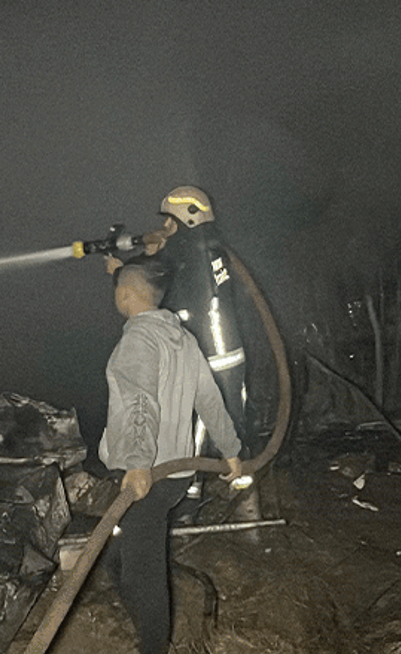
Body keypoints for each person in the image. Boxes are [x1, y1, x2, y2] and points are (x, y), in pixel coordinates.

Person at [99, 262, 244, 654]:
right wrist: (230, 450)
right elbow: (210, 399)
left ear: (125, 295)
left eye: (118, 287)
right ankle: (136, 613)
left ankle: (153, 645)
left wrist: (138, 464)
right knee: (119, 554)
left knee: (142, 576)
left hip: (148, 476)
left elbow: (140, 403)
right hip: (175, 477)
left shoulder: (138, 339)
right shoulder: (182, 339)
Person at [106, 186, 251, 496]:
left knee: (197, 417)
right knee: (230, 411)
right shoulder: (211, 247)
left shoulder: (183, 252)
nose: (165, 226)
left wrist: (121, 272)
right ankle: (238, 468)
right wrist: (153, 250)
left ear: (186, 219)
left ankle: (191, 486)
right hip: (229, 348)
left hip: (207, 350)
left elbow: (150, 289)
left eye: (169, 221)